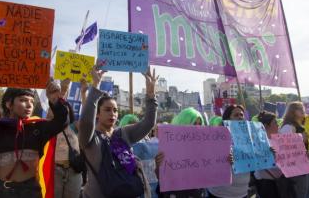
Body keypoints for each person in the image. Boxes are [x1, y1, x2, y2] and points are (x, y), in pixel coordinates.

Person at [0, 71, 70, 197]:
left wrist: (55, 100)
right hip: (0, 191)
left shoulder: (38, 128)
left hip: (30, 192)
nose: (29, 105)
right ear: (9, 104)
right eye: (23, 100)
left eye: (32, 101)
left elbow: (62, 121)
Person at [78, 66, 158, 198]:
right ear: (97, 114)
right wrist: (95, 86)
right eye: (107, 110)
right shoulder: (89, 138)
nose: (113, 114)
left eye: (115, 110)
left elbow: (148, 123)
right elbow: (86, 122)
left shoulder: (122, 134)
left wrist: (150, 94)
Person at [155, 107, 205, 198]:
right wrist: (159, 165)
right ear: (183, 124)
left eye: (200, 124)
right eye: (194, 123)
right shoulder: (168, 146)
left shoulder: (204, 147)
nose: (197, 127)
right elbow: (160, 176)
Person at [50, 78, 88, 198]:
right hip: (55, 171)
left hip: (74, 171)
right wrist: (62, 91)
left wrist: (83, 93)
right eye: (59, 108)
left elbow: (88, 117)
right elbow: (52, 111)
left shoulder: (75, 126)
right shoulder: (50, 125)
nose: (62, 111)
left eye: (65, 108)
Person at [207, 104, 250, 198]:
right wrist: (224, 160)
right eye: (236, 115)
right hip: (221, 193)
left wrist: (266, 154)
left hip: (242, 192)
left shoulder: (249, 137)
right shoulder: (217, 137)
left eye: (241, 115)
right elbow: (208, 161)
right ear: (227, 118)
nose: (239, 117)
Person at [278, 102, 309, 198]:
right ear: (292, 111)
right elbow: (284, 148)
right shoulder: (288, 127)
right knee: (301, 194)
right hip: (298, 166)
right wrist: (301, 139)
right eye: (299, 108)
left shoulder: (304, 126)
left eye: (302, 107)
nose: (303, 109)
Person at [253, 111, 282, 198]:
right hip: (266, 183)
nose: (278, 125)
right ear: (265, 125)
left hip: (279, 181)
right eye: (275, 122)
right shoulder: (258, 141)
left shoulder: (279, 139)